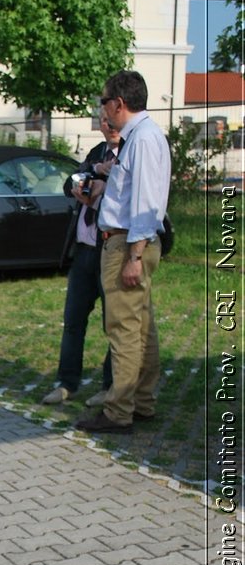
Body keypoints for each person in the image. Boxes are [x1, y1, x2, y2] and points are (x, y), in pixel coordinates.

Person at [76, 70, 170, 434]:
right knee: (142, 326)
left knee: (124, 329)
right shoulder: (141, 137)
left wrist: (133, 255)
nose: (103, 110)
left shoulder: (142, 139)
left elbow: (146, 202)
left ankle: (119, 411)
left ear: (119, 103)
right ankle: (142, 402)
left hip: (129, 241)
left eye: (104, 102)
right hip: (130, 239)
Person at [41, 111, 119, 406]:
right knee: (73, 321)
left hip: (110, 250)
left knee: (113, 323)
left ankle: (111, 387)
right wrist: (84, 181)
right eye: (101, 121)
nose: (107, 126)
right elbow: (69, 184)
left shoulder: (129, 153)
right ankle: (66, 383)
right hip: (83, 250)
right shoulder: (97, 152)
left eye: (111, 120)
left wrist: (105, 179)